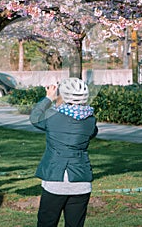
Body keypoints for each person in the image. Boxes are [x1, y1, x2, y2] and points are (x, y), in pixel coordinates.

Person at [30, 77, 98, 227]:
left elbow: (35, 118)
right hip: (81, 182)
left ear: (64, 95)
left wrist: (49, 97)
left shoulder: (52, 116)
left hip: (55, 180)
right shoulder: (90, 120)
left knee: (46, 223)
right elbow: (92, 132)